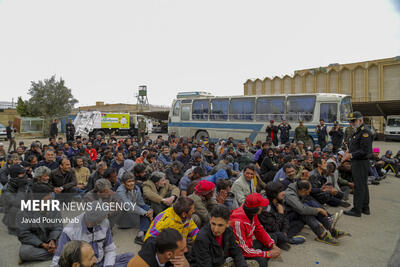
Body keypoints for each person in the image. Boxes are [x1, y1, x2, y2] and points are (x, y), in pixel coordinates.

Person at [50, 201, 134, 267]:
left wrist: (108, 265)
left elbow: (110, 249)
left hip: (101, 262)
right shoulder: (69, 231)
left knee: (131, 257)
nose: (106, 219)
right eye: (104, 217)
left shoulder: (105, 222)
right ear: (95, 220)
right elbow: (57, 261)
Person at [284, 180, 346, 245]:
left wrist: (321, 190)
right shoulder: (290, 195)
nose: (308, 193)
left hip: (294, 214)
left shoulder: (298, 188)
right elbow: (301, 210)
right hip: (286, 218)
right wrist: (318, 210)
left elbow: (309, 194)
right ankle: (322, 235)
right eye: (307, 192)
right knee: (306, 212)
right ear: (303, 190)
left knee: (310, 204)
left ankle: (332, 229)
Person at [16, 182, 63, 264]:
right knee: (25, 252)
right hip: (35, 242)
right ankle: (59, 253)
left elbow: (58, 226)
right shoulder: (24, 211)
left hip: (52, 239)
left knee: (69, 241)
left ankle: (54, 252)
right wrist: (42, 244)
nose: (51, 198)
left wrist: (52, 239)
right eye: (48, 197)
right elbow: (23, 234)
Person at [230, 193, 281, 266]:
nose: (262, 207)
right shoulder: (237, 222)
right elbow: (243, 250)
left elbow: (259, 230)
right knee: (262, 261)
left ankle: (258, 255)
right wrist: (267, 254)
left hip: (248, 245)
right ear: (257, 208)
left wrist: (273, 246)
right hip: (239, 252)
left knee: (273, 238)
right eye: (261, 206)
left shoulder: (252, 214)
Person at [258, 182, 306, 251]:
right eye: (280, 191)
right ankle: (288, 240)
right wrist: (280, 213)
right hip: (270, 231)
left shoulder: (279, 200)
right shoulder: (265, 209)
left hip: (278, 225)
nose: (284, 193)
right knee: (277, 235)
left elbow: (285, 218)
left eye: (283, 190)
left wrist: (285, 231)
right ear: (273, 194)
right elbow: (274, 228)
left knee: (299, 223)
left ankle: (284, 238)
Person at [343, 111, 373, 217]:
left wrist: (350, 155)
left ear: (360, 120)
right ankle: (365, 208)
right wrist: (348, 151)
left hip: (360, 162)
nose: (352, 123)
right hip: (358, 161)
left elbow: (365, 151)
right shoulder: (358, 131)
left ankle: (357, 210)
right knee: (363, 185)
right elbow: (356, 146)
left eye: (354, 121)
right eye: (351, 121)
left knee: (359, 186)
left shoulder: (365, 132)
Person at [116, 172, 153, 245]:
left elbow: (141, 203)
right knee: (144, 213)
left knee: (147, 209)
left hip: (133, 213)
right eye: (129, 181)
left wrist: (149, 210)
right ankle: (144, 231)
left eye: (133, 181)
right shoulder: (120, 191)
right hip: (123, 216)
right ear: (123, 183)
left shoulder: (137, 188)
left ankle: (141, 234)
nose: (132, 183)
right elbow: (128, 206)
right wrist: (145, 213)